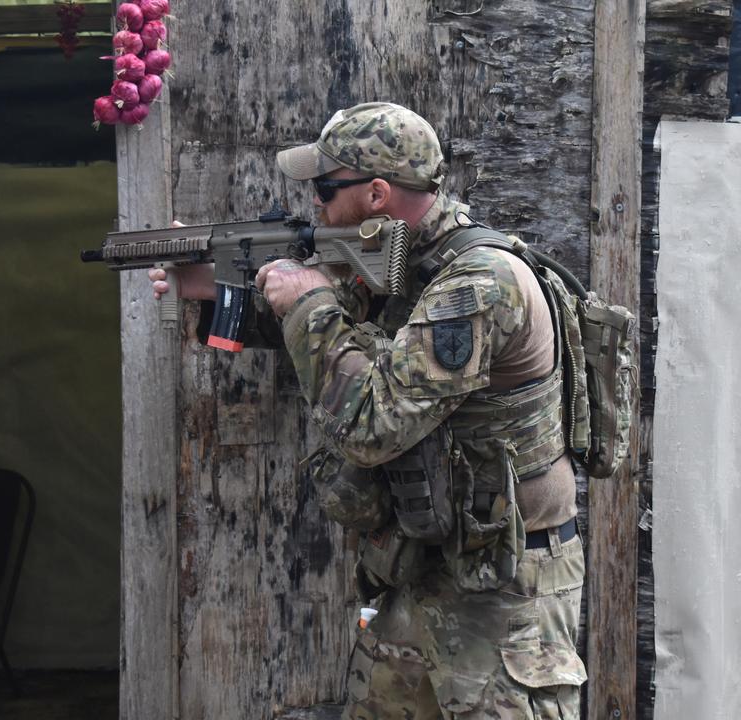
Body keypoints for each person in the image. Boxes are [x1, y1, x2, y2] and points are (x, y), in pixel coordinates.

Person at [150, 102, 586, 718]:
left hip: (504, 587)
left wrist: (309, 303)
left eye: (325, 189)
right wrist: (209, 288)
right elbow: (336, 340)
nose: (315, 206)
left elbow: (373, 422)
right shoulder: (402, 266)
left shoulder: (478, 284)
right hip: (420, 566)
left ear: (377, 193)